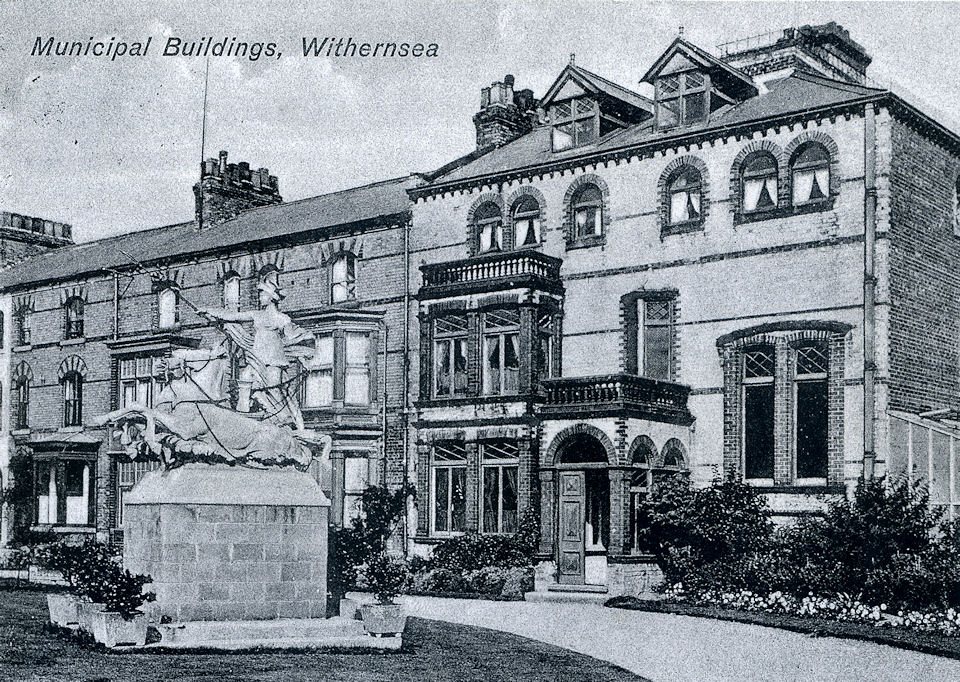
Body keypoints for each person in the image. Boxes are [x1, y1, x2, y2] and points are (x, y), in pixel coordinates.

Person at [200, 270, 313, 430]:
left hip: (274, 361)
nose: (260, 297)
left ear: (271, 297)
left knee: (275, 391)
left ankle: (284, 419)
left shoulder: (282, 319)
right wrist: (208, 311)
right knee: (245, 379)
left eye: (262, 294)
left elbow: (293, 340)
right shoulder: (256, 315)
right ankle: (243, 419)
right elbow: (233, 316)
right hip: (257, 358)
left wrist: (303, 361)